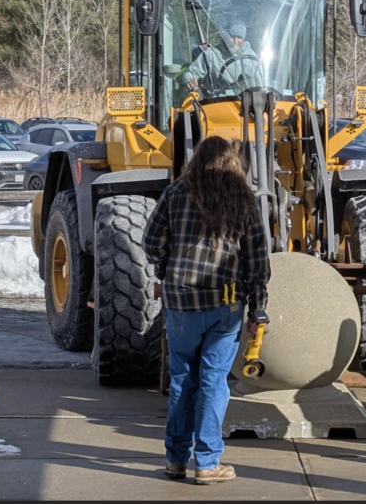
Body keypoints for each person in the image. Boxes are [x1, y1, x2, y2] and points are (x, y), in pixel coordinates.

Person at [143, 136, 271, 485]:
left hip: (181, 304)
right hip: (224, 306)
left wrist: (167, 268)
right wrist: (258, 305)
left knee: (183, 380)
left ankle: (175, 460)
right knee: (214, 382)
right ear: (233, 163)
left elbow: (151, 244)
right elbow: (257, 260)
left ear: (196, 161)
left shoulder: (175, 193)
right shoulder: (244, 200)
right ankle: (207, 463)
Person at [182, 23, 262, 95]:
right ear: (225, 35)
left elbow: (260, 82)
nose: (235, 41)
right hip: (219, 103)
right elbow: (190, 73)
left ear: (243, 39)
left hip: (247, 103)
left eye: (239, 37)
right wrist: (190, 79)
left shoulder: (251, 56)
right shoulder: (211, 54)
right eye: (232, 36)